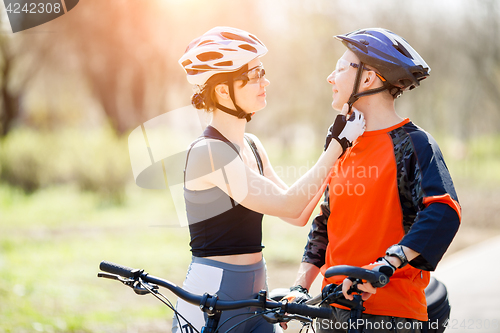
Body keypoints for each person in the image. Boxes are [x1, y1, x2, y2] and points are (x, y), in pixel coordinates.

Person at [173, 26, 366, 333]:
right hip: (213, 296)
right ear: (222, 90)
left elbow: (299, 214)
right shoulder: (209, 152)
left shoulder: (253, 146)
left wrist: (338, 149)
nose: (266, 81)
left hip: (255, 290)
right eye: (255, 74)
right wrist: (336, 146)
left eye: (262, 71)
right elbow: (290, 205)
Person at [283, 28, 461, 333]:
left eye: (340, 68)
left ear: (367, 79)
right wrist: (300, 286)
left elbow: (444, 212)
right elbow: (325, 224)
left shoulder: (413, 144)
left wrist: (385, 265)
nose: (330, 77)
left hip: (391, 316)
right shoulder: (343, 145)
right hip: (332, 313)